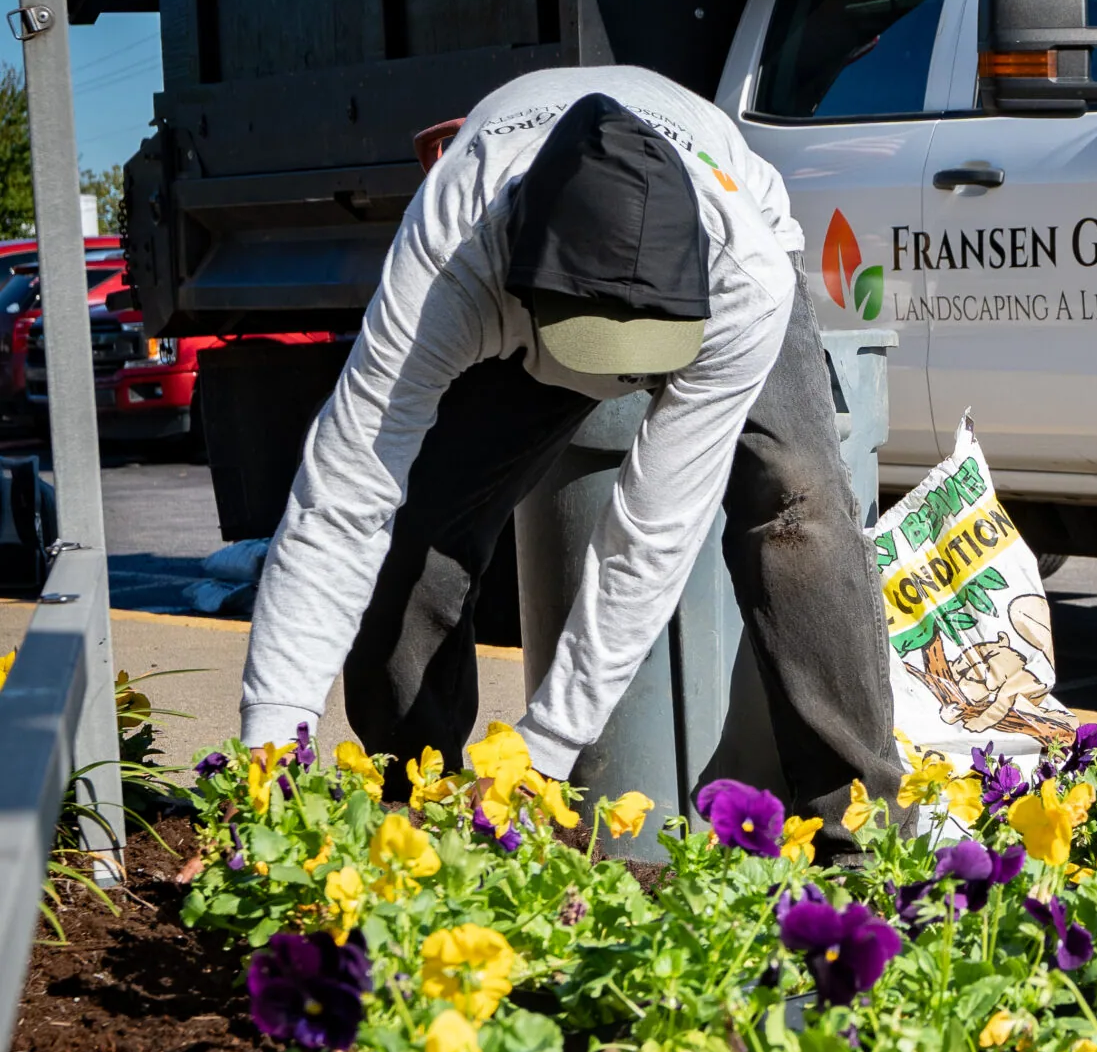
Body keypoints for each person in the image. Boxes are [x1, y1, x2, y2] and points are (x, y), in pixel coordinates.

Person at [239, 69, 900, 825]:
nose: (619, 371)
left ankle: (859, 834)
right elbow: (343, 498)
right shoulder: (450, 265)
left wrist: (544, 747)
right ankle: (418, 816)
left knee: (794, 505)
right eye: (597, 345)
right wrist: (271, 742)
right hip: (521, 315)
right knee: (415, 525)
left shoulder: (743, 276)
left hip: (707, 304)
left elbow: (650, 536)